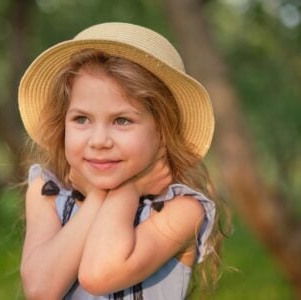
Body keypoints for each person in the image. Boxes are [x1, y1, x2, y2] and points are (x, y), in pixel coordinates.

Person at [18, 22, 227, 299]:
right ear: (63, 124)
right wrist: (95, 199)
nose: (99, 140)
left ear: (163, 131)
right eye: (81, 119)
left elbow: (99, 273)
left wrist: (126, 190)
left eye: (122, 120)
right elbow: (40, 289)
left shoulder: (180, 210)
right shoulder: (46, 192)